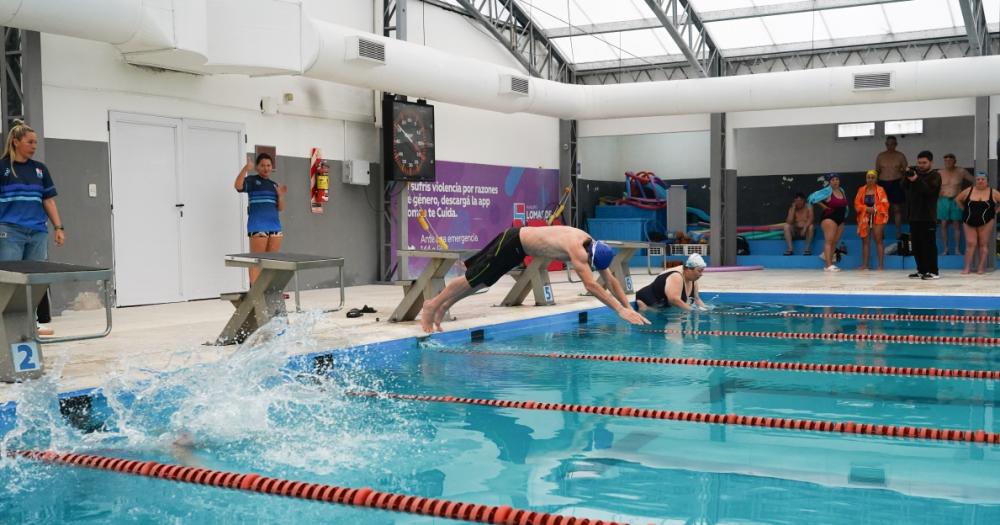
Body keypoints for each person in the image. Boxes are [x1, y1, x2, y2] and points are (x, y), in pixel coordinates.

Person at [418, 225, 650, 332]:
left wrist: (629, 307)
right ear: (590, 255)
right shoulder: (578, 249)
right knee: (471, 278)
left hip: (522, 250)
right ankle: (431, 305)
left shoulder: (592, 245)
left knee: (482, 282)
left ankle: (444, 306)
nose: (590, 268)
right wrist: (619, 311)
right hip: (513, 241)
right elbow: (591, 286)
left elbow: (611, 280)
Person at [0, 120, 65, 337]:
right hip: (10, 231)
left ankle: (33, 322)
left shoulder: (40, 169)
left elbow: (49, 201)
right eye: (30, 142)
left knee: (35, 279)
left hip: (37, 232)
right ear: (16, 142)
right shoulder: (3, 168)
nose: (34, 145)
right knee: (10, 278)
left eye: (36, 142)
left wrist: (58, 227)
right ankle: (6, 325)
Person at [234, 153, 286, 285]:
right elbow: (238, 186)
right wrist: (246, 169)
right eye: (262, 165)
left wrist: (280, 196)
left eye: (268, 165)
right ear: (257, 167)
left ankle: (269, 290)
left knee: (272, 261)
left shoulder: (274, 185)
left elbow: (280, 208)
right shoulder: (251, 180)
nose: (266, 168)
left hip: (275, 227)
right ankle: (255, 292)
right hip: (257, 226)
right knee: (257, 260)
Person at [901, 151, 942, 280]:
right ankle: (921, 270)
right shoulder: (915, 173)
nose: (921, 165)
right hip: (914, 216)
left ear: (931, 162)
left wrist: (916, 179)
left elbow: (928, 191)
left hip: (928, 216)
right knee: (917, 245)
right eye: (919, 162)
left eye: (924, 163)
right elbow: (903, 186)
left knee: (928, 244)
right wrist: (907, 176)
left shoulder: (935, 176)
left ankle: (933, 271)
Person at [954, 172, 998, 274]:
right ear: (975, 181)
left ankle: (981, 267)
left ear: (987, 181)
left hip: (986, 221)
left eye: (983, 179)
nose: (980, 181)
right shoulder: (969, 190)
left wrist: (995, 212)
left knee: (983, 244)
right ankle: (967, 268)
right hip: (969, 220)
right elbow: (957, 199)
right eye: (978, 179)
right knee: (970, 243)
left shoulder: (993, 192)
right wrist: (964, 209)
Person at [635, 253, 706, 311]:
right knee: (654, 314)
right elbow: (674, 300)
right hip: (647, 299)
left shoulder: (693, 279)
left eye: (702, 271)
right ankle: (646, 308)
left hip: (662, 303)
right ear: (689, 269)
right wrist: (693, 311)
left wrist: (706, 310)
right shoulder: (676, 276)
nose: (701, 274)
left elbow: (696, 299)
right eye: (699, 271)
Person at [809, 174, 848, 272]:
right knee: (829, 241)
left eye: (837, 179)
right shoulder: (827, 191)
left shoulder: (842, 190)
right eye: (833, 180)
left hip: (841, 218)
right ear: (830, 182)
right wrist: (823, 206)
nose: (835, 181)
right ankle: (828, 264)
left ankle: (830, 264)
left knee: (835, 242)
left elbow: (845, 205)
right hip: (829, 218)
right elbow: (812, 197)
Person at [937, 153, 973, 255]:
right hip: (943, 200)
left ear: (955, 161)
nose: (948, 162)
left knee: (956, 224)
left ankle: (957, 249)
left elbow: (974, 180)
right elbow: (933, 185)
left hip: (956, 199)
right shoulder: (940, 172)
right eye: (946, 161)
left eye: (950, 160)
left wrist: (966, 193)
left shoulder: (961, 171)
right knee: (943, 224)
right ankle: (946, 248)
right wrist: (937, 193)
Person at [854, 170, 889, 271]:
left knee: (878, 240)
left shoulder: (880, 190)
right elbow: (857, 204)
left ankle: (881, 265)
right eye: (868, 177)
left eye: (872, 177)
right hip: (864, 218)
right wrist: (866, 209)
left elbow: (885, 203)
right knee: (865, 242)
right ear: (866, 178)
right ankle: (865, 265)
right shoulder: (861, 190)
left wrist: (875, 209)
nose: (870, 179)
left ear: (876, 179)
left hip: (878, 217)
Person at [875, 136, 908, 237]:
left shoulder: (900, 156)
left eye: (892, 144)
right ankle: (882, 232)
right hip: (882, 183)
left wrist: (902, 182)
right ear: (886, 144)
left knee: (897, 209)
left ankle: (898, 232)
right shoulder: (880, 156)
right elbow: (877, 171)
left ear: (896, 144)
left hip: (896, 183)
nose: (890, 146)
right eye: (888, 144)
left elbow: (906, 171)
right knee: (882, 209)